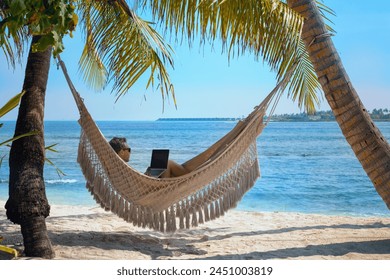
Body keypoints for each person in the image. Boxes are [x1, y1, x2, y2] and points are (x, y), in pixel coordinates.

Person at [109, 137, 189, 178]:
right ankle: (191, 176)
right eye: (129, 149)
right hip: (150, 191)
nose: (130, 152)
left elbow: (134, 182)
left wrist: (145, 175)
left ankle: (190, 175)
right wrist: (145, 176)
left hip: (146, 187)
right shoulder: (122, 168)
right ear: (122, 152)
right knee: (168, 163)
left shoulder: (116, 168)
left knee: (167, 169)